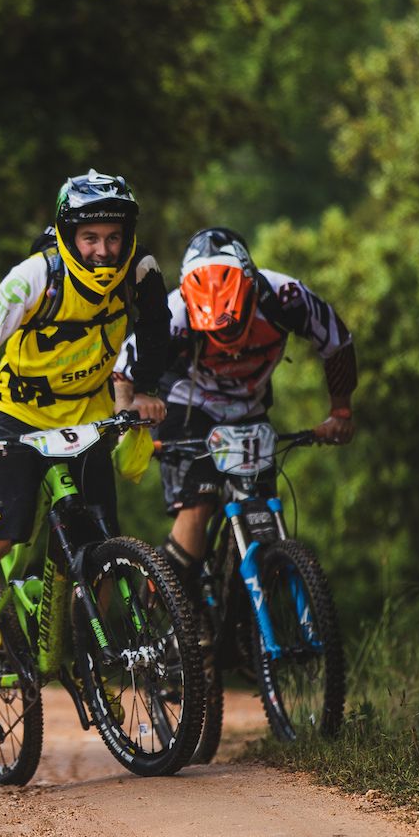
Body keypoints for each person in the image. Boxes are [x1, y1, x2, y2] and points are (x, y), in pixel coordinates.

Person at [0, 172, 170, 651]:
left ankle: (84, 651)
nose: (103, 250)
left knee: (97, 540)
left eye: (114, 237)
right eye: (90, 237)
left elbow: (157, 328)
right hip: (21, 412)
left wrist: (144, 389)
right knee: (6, 527)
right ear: (68, 235)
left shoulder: (141, 270)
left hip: (86, 416)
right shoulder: (36, 276)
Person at [114, 227, 357, 591]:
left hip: (249, 408)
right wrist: (128, 428)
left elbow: (337, 343)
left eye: (235, 328)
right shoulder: (175, 313)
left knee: (261, 506)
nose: (228, 347)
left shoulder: (286, 296)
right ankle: (170, 617)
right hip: (189, 401)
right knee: (200, 503)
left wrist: (340, 412)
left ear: (251, 291)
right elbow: (123, 370)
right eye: (215, 335)